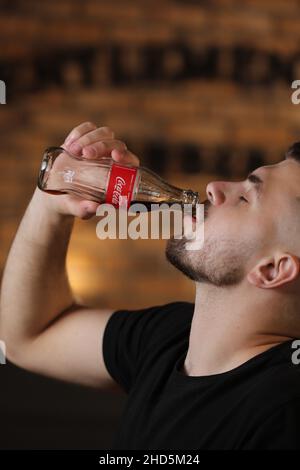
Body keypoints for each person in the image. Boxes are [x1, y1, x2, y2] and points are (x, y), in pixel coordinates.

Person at [1, 121, 300, 450]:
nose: (215, 187)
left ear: (273, 269)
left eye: (245, 197)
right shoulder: (169, 336)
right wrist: (53, 203)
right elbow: (27, 336)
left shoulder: (282, 415)